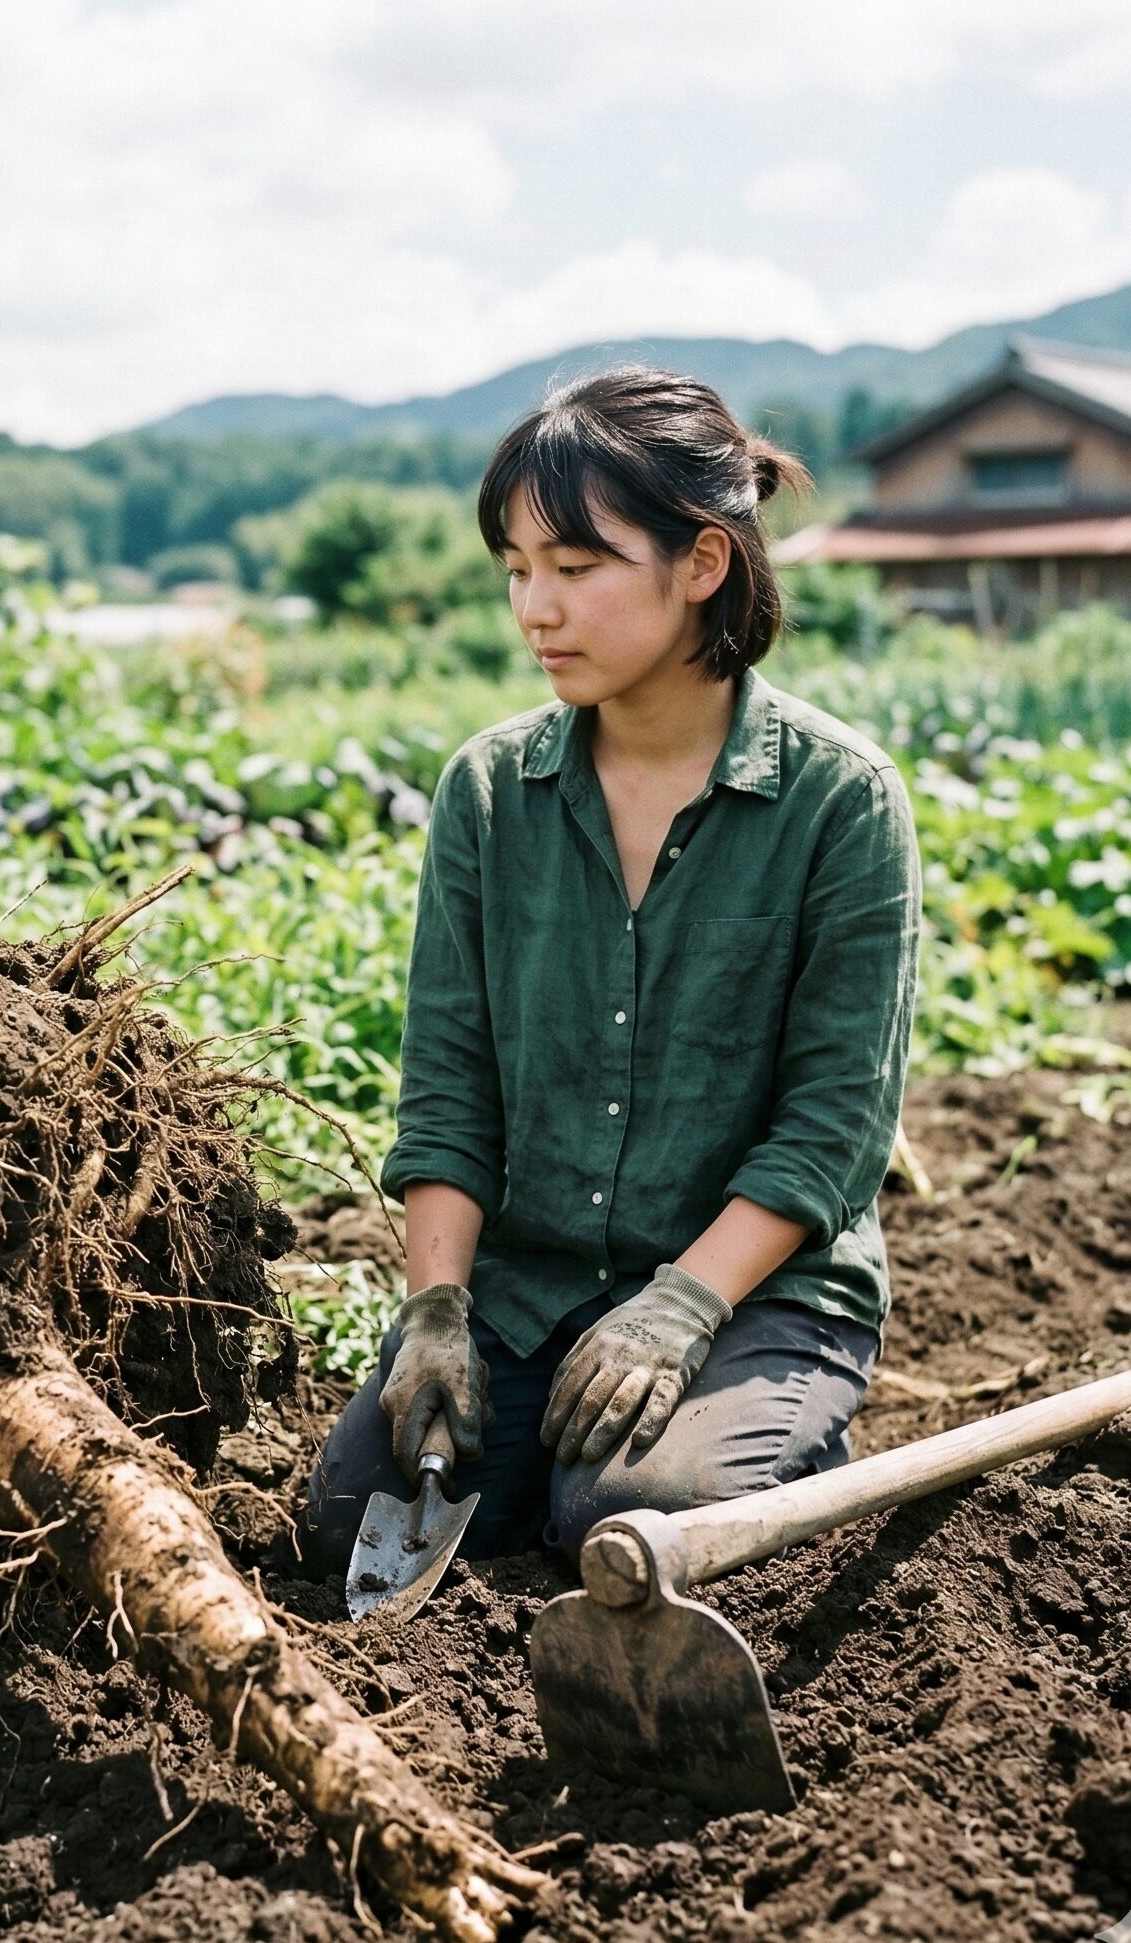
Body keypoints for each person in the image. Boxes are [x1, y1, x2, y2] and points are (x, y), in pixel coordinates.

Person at [301, 365, 921, 1577]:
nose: (536, 608)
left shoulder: (838, 801)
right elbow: (448, 1085)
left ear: (701, 563)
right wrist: (433, 1310)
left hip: (751, 1288)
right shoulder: (488, 793)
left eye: (576, 569)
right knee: (348, 1520)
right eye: (517, 570)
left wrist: (683, 1303)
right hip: (528, 1285)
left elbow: (834, 1125)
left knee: (629, 1511)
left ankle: (779, 1423)